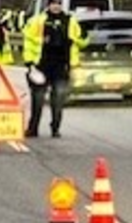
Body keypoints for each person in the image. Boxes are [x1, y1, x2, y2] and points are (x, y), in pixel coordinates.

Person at [20, 0, 88, 138]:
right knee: (37, 100)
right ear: (48, 5)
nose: (56, 6)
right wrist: (29, 62)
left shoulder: (70, 21)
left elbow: (81, 42)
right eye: (53, 3)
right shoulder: (38, 21)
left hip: (61, 66)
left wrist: (84, 36)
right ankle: (33, 128)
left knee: (58, 99)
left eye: (58, 3)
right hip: (41, 66)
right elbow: (29, 42)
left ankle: (55, 128)